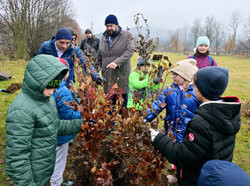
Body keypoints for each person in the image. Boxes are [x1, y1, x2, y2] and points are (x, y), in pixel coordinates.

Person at [150, 66, 241, 185]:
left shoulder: (202, 122)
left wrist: (158, 138)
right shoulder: (228, 112)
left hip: (196, 179)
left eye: (195, 85)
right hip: (214, 174)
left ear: (202, 90)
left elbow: (183, 156)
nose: (192, 86)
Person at [5, 54, 84, 185]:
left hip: (43, 170)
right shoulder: (21, 110)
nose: (53, 91)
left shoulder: (47, 99)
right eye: (50, 86)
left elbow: (54, 126)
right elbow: (17, 158)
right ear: (38, 81)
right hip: (31, 176)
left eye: (55, 86)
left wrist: (81, 124)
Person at [145, 59, 200, 143]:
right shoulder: (169, 89)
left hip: (188, 137)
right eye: (172, 74)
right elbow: (157, 104)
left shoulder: (196, 93)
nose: (172, 76)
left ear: (185, 76)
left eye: (176, 74)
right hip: (170, 134)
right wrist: (144, 118)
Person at [50, 58, 82, 186]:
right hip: (61, 134)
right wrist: (83, 115)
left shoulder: (49, 85)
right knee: (59, 161)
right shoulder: (63, 91)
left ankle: (54, 179)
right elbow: (68, 114)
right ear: (66, 72)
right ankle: (56, 182)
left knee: (51, 158)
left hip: (49, 132)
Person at [37, 27, 103, 85]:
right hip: (49, 82)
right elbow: (37, 63)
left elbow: (85, 62)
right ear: (56, 40)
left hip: (67, 83)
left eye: (67, 43)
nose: (64, 46)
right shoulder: (46, 46)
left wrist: (95, 76)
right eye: (62, 42)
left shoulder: (74, 49)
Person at [96, 14, 134, 108]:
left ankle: (123, 122)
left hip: (121, 76)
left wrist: (116, 63)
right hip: (107, 77)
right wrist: (94, 72)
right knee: (109, 108)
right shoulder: (103, 38)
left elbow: (130, 51)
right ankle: (111, 123)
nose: (109, 28)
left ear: (117, 25)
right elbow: (99, 56)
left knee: (122, 108)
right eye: (107, 26)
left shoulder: (127, 36)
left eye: (111, 25)